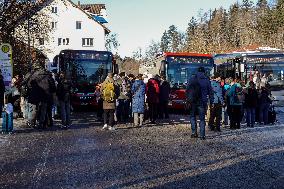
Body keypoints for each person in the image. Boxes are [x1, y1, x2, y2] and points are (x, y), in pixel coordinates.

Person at [186, 67, 211, 140]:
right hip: (202, 102)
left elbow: (187, 90)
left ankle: (194, 133)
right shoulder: (206, 80)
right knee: (202, 119)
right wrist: (211, 101)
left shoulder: (192, 79)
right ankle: (202, 135)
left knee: (192, 117)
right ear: (204, 72)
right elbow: (210, 92)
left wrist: (188, 99)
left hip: (193, 101)